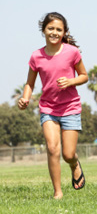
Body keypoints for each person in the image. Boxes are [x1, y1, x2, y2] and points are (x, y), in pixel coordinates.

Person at [18, 12, 88, 199]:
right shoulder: (36, 56)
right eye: (51, 28)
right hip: (48, 108)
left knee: (67, 153)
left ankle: (74, 164)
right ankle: (58, 192)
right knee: (52, 148)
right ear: (44, 30)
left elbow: (84, 76)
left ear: (64, 32)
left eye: (59, 29)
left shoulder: (71, 52)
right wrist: (25, 98)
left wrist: (71, 82)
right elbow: (30, 83)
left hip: (70, 108)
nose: (54, 32)